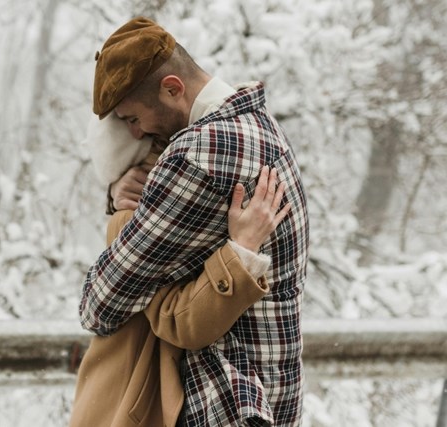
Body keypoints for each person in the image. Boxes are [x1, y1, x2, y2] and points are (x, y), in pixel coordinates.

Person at [80, 17, 309, 427]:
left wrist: (121, 211)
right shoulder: (258, 125)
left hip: (224, 403)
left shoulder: (200, 154)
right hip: (269, 394)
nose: (135, 135)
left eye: (132, 118)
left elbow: (100, 306)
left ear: (172, 88)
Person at [71, 116, 290, 427]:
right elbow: (181, 322)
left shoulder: (134, 213)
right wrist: (242, 249)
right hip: (129, 408)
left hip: (114, 401)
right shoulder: (137, 222)